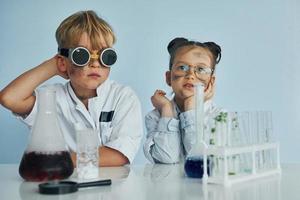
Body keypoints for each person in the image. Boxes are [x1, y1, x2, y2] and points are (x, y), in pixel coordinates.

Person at [0, 10, 143, 167]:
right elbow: (9, 98)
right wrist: (54, 66)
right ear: (63, 62)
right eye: (82, 55)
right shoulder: (52, 97)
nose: (95, 64)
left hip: (114, 185)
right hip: (67, 183)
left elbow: (120, 155)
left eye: (105, 55)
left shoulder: (123, 97)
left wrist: (59, 162)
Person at [144, 37, 223, 164]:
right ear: (169, 78)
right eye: (182, 67)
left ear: (211, 82)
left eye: (201, 69)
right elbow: (166, 158)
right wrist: (167, 110)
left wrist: (191, 107)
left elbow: (201, 159)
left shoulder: (219, 117)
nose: (191, 75)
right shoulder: (156, 117)